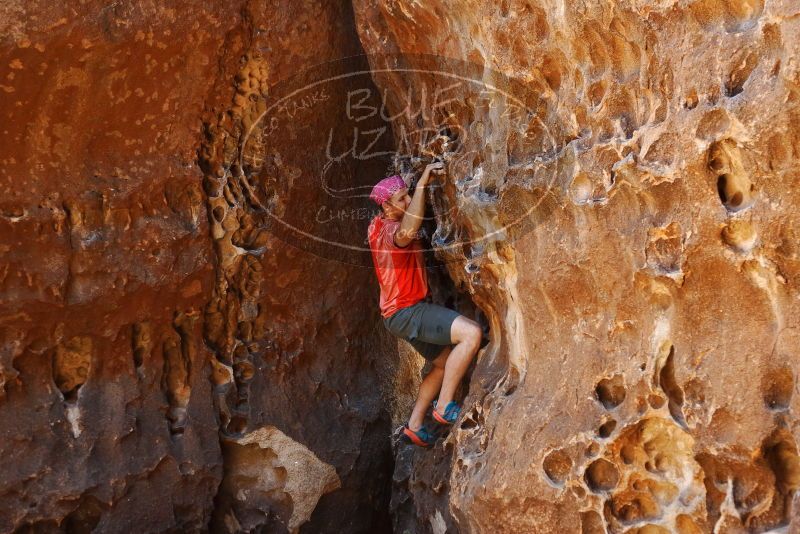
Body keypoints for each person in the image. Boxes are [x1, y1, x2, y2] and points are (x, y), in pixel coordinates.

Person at [367, 162, 484, 448]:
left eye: (408, 195)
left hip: (395, 315)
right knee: (471, 334)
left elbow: (400, 211)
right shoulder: (394, 233)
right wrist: (420, 187)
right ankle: (444, 407)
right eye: (401, 199)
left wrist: (406, 185)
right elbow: (409, 230)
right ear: (387, 208)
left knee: (443, 364)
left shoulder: (376, 225)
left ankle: (415, 425)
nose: (407, 201)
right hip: (407, 310)